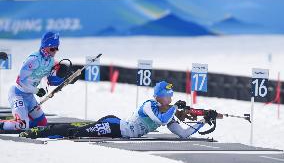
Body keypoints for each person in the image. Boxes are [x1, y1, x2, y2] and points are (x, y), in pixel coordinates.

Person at [19, 81, 218, 139]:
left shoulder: (167, 111)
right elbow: (162, 121)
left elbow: (183, 134)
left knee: (78, 129)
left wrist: (202, 121)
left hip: (116, 124)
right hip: (115, 127)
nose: (171, 99)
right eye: (169, 96)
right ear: (159, 96)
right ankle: (39, 131)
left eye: (172, 96)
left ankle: (43, 130)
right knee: (74, 132)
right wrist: (175, 108)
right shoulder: (149, 105)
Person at [0, 32, 64, 131]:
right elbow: (20, 81)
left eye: (57, 48)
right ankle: (5, 124)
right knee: (22, 126)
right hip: (17, 94)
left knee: (42, 124)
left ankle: (24, 120)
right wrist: (37, 91)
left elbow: (49, 80)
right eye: (52, 48)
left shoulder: (50, 61)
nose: (55, 51)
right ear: (45, 47)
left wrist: (64, 78)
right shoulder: (33, 60)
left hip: (29, 96)